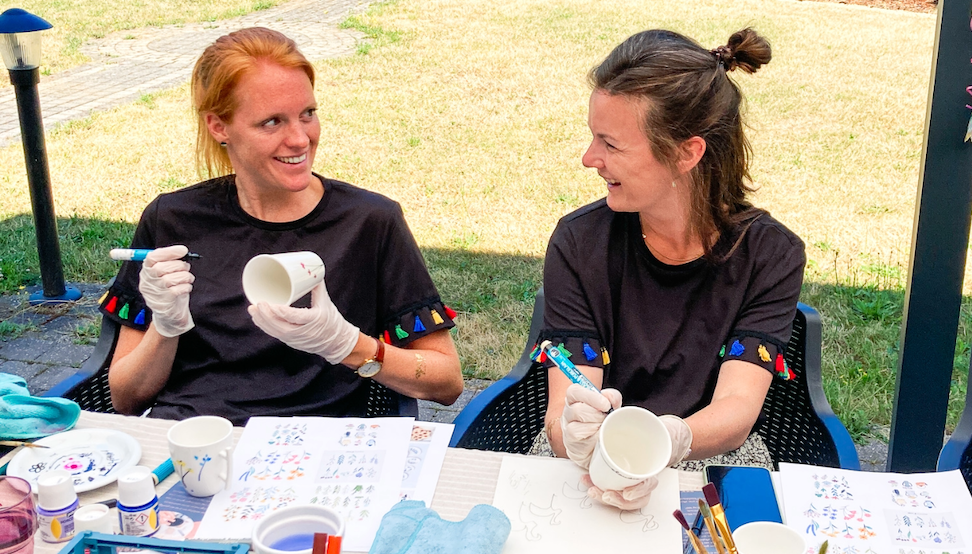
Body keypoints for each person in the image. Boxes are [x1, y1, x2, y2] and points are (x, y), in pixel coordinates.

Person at [101, 27, 464, 425]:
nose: (300, 139)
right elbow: (126, 399)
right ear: (219, 127)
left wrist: (347, 345)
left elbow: (446, 383)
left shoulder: (369, 222)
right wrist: (166, 328)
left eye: (308, 114)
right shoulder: (172, 220)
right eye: (272, 122)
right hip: (195, 444)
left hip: (314, 450)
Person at [532, 28, 806, 509]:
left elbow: (737, 409)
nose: (588, 159)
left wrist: (667, 441)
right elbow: (565, 408)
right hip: (592, 458)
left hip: (711, 456)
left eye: (610, 144)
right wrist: (574, 436)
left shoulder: (770, 255)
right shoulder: (579, 243)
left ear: (687, 153)